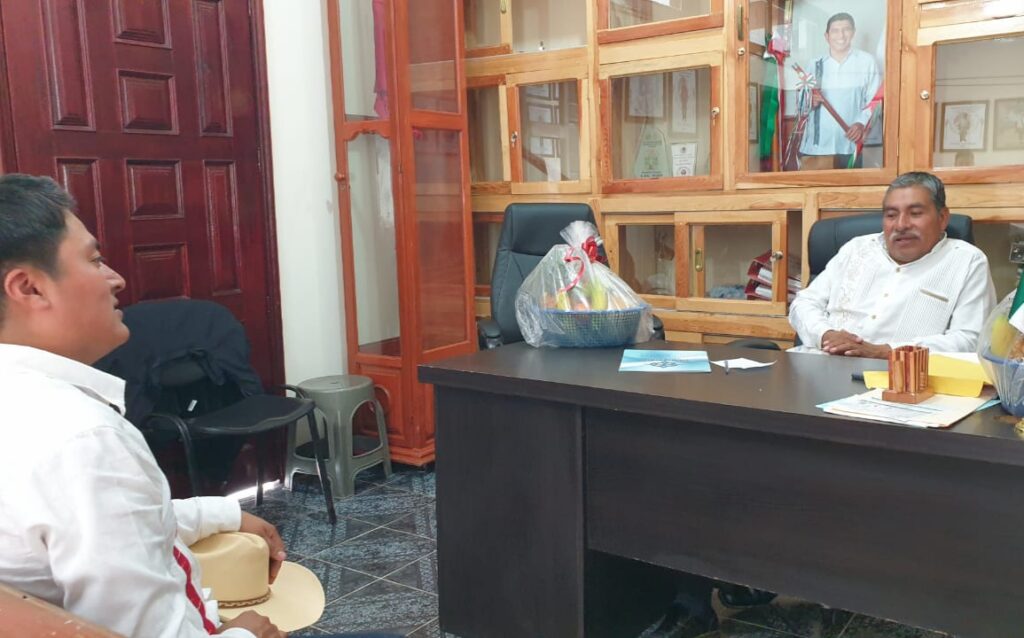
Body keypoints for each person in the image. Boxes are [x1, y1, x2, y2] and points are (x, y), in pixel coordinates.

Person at [0, 175, 389, 638]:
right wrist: (247, 634)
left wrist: (221, 514)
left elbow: (114, 528)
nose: (116, 279)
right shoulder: (84, 441)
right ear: (30, 288)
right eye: (95, 260)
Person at [789, 171, 997, 358]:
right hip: (818, 362)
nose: (901, 225)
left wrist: (885, 352)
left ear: (942, 218)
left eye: (915, 213)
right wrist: (826, 334)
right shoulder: (857, 248)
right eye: (891, 215)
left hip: (901, 377)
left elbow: (970, 340)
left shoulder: (967, 261)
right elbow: (804, 303)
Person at [798, 12, 881, 170]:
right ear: (827, 36)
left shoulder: (867, 62)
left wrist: (861, 123)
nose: (841, 35)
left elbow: (875, 101)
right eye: (835, 31)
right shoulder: (814, 64)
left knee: (852, 186)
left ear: (853, 33)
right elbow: (801, 105)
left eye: (846, 29)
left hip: (851, 146)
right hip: (817, 148)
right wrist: (809, 101)